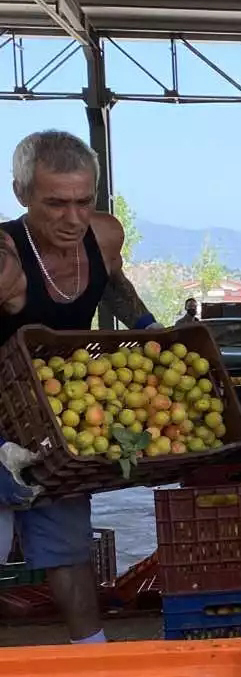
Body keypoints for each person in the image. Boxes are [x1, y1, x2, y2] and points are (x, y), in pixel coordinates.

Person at [0, 129, 161, 644]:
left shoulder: (103, 234)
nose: (72, 219)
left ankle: (92, 655)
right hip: (0, 424)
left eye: (82, 201)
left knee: (67, 551)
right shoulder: (5, 259)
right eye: (55, 203)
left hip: (55, 420)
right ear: (22, 194)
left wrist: (148, 330)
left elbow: (111, 280)